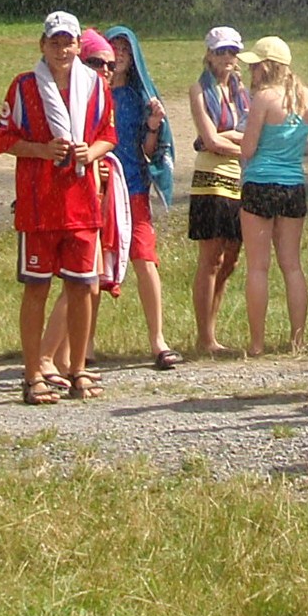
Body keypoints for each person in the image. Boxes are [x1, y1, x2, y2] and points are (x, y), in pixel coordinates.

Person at [0, 11, 115, 404]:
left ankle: (77, 369)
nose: (62, 50)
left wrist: (90, 152)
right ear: (42, 45)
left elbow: (108, 135)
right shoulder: (24, 86)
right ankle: (32, 375)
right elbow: (5, 139)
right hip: (38, 205)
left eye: (69, 42)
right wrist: (42, 150)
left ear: (79, 46)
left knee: (81, 287)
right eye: (55, 42)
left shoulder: (95, 86)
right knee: (37, 287)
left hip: (81, 203)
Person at [237, 36, 308, 357]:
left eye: (254, 66)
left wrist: (261, 147)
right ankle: (298, 341)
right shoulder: (306, 97)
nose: (251, 72)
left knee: (258, 267)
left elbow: (248, 148)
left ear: (266, 67)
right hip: (293, 185)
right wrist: (292, 149)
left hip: (260, 183)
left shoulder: (263, 98)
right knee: (291, 266)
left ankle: (257, 343)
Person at [104, 25, 179, 370]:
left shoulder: (139, 97)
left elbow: (149, 151)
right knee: (93, 266)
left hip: (133, 188)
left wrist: (152, 125)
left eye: (125, 49)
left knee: (145, 258)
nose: (119, 55)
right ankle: (83, 345)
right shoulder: (91, 93)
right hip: (98, 190)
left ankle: (158, 340)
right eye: (113, 48)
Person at [187, 26, 249, 357]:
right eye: (221, 51)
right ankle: (205, 337)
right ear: (209, 55)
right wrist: (244, 145)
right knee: (211, 259)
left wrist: (228, 138)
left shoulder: (241, 91)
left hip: (238, 179)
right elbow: (210, 140)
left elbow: (233, 133)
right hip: (211, 179)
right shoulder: (199, 89)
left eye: (232, 52)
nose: (227, 57)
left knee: (231, 259)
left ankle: (211, 330)